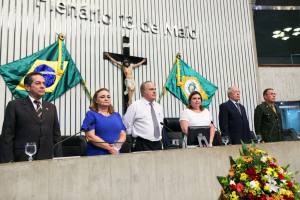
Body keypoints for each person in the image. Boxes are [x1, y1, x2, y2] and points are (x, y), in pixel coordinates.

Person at [0, 72, 61, 163]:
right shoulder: (15, 105)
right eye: (38, 83)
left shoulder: (51, 107)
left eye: (44, 83)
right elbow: (7, 136)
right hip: (22, 158)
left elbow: (56, 135)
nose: (42, 86)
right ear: (27, 87)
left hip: (47, 159)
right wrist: (7, 161)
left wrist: (59, 158)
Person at [81, 88, 126, 155]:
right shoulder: (91, 114)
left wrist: (116, 147)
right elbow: (90, 136)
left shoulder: (117, 115)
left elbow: (123, 134)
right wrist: (110, 148)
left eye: (108, 97)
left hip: (115, 153)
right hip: (97, 154)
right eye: (102, 97)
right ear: (96, 100)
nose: (106, 99)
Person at [123, 81, 164, 151]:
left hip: (158, 143)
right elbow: (127, 125)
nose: (154, 91)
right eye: (151, 89)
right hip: (141, 143)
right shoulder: (135, 106)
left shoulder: (159, 107)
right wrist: (132, 140)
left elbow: (161, 124)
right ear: (143, 92)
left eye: (155, 89)